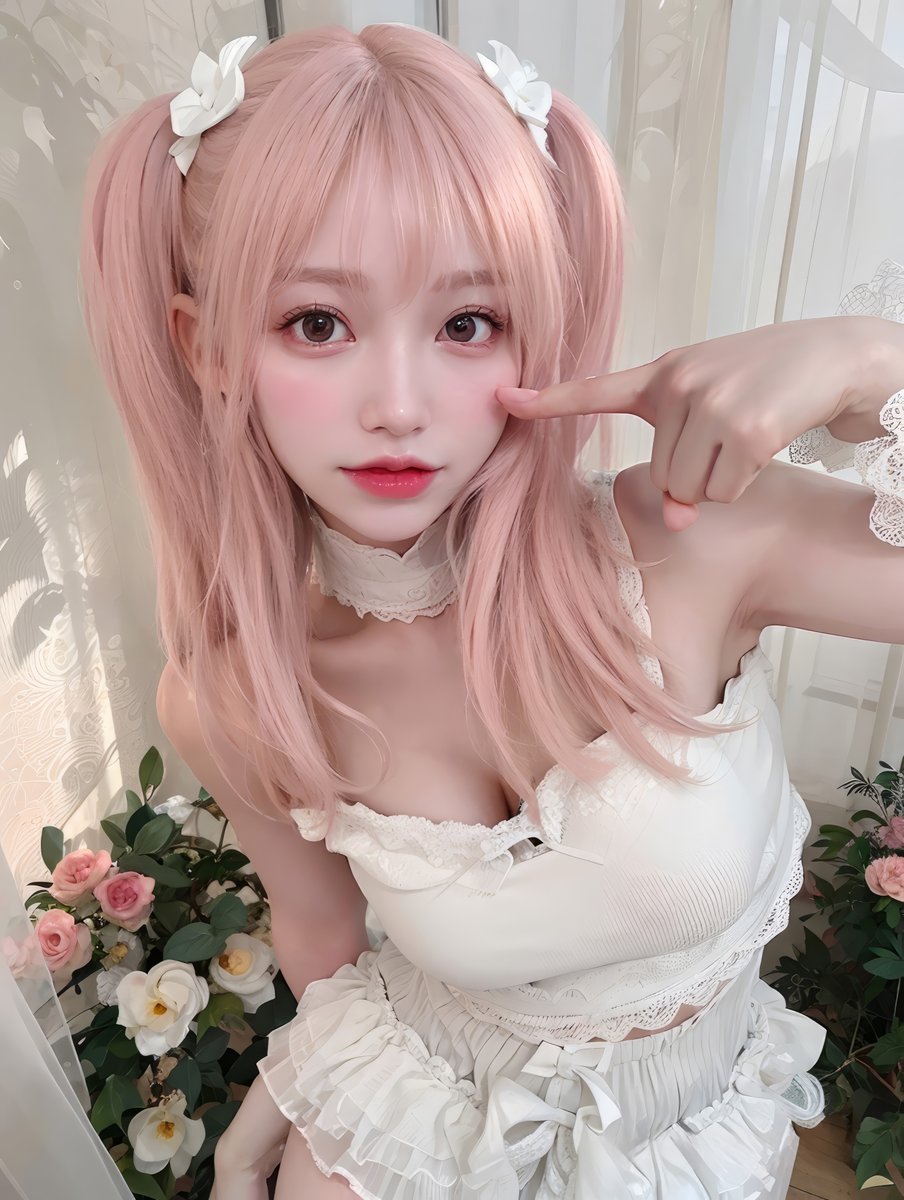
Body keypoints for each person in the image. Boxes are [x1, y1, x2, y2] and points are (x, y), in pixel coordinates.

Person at [77, 23, 904, 1200]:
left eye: (467, 323)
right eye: (317, 323)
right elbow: (321, 942)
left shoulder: (695, 540)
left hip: (699, 1145)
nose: (398, 405)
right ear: (204, 347)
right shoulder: (233, 693)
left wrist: (871, 360)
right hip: (402, 1140)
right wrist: (295, 1088)